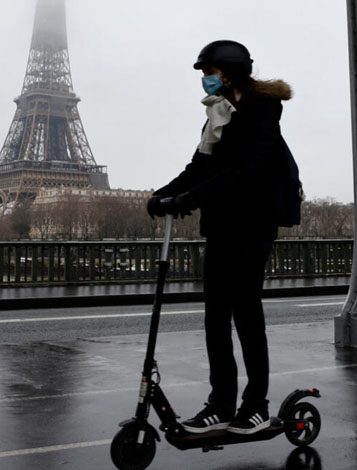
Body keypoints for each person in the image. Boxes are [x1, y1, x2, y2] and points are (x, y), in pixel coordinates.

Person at [146, 40, 293, 435]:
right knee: (215, 318)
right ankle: (221, 403)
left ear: (227, 71)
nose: (205, 79)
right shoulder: (217, 114)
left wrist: (192, 197)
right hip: (223, 224)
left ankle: (256, 405)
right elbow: (199, 166)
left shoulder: (261, 110)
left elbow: (247, 168)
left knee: (246, 315)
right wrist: (161, 195)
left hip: (253, 222)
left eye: (208, 72)